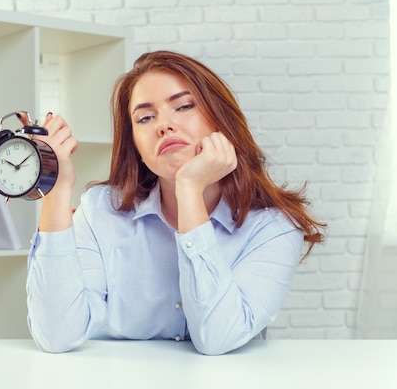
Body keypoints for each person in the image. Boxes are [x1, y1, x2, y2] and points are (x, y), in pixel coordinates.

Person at [26, 50, 326, 355]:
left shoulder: (273, 227)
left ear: (221, 119)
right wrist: (57, 189)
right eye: (145, 117)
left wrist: (189, 190)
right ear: (136, 146)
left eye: (182, 106)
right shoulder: (99, 211)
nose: (164, 125)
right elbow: (57, 335)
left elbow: (218, 338)